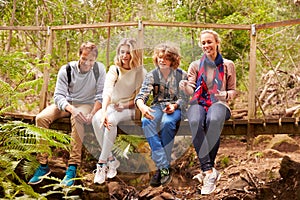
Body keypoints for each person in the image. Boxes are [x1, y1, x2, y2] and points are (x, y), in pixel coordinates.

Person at [28, 42, 106, 186]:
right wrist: (71, 108)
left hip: (86, 105)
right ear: (79, 56)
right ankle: (43, 165)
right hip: (67, 104)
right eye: (84, 59)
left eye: (91, 60)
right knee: (41, 118)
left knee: (77, 118)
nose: (87, 63)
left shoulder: (99, 70)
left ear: (95, 60)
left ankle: (72, 167)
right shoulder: (67, 70)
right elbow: (58, 96)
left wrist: (93, 113)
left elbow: (101, 96)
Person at [179, 30, 236, 195]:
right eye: (203, 43)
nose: (206, 45)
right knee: (196, 121)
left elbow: (232, 91)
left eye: (209, 42)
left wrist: (224, 94)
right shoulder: (195, 66)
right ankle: (209, 171)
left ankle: (207, 171)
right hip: (198, 102)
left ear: (217, 42)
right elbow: (191, 90)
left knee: (213, 120)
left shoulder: (228, 65)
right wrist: (185, 86)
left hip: (219, 103)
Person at [92, 38, 146, 184]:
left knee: (112, 120)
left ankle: (101, 164)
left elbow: (140, 97)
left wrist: (125, 105)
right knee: (96, 119)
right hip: (112, 106)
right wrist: (103, 111)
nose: (124, 56)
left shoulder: (140, 72)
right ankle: (111, 159)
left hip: (130, 108)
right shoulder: (114, 69)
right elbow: (107, 91)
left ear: (134, 54)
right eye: (122, 52)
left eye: (128, 53)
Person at [135, 43, 187, 187]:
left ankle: (160, 168)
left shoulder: (181, 75)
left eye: (166, 58)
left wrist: (175, 105)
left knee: (167, 122)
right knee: (146, 121)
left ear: (173, 60)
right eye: (159, 57)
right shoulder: (153, 75)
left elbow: (186, 98)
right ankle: (164, 166)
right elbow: (141, 96)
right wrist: (142, 106)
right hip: (157, 106)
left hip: (175, 107)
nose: (162, 61)